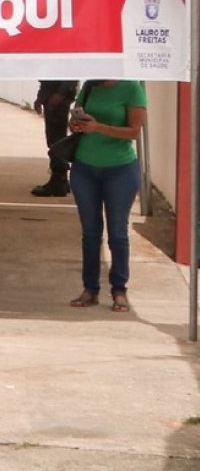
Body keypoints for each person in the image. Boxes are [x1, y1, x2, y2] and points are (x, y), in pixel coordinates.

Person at [66, 80, 146, 313]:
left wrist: (98, 127)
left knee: (117, 233)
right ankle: (90, 289)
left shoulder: (132, 89)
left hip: (120, 169)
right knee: (90, 233)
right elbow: (76, 124)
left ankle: (119, 290)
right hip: (84, 167)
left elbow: (134, 132)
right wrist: (77, 124)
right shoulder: (89, 86)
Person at [32, 80, 79, 197]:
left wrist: (60, 94)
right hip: (53, 95)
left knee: (56, 140)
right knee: (55, 138)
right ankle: (61, 179)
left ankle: (58, 180)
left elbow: (69, 76)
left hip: (57, 98)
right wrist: (40, 97)